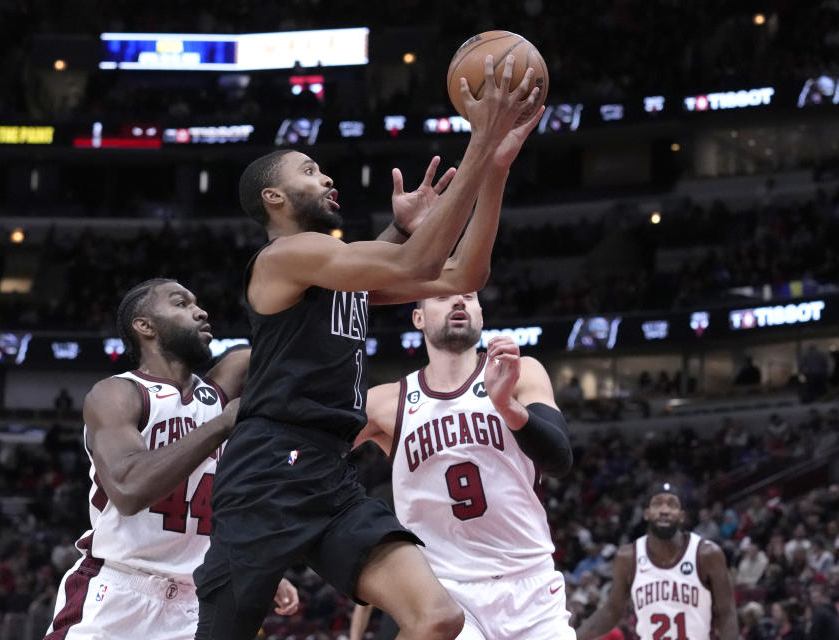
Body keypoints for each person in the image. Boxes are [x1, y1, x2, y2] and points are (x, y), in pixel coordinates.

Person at [192, 56, 543, 640]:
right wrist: (479, 143)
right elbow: (417, 263)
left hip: (332, 473)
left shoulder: (336, 267)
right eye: (311, 170)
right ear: (274, 196)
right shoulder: (284, 257)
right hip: (268, 471)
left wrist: (496, 170)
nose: (327, 178)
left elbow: (464, 276)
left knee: (437, 618)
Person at [44, 279, 298, 640]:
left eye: (197, 303)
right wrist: (224, 423)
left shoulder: (218, 390)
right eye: (181, 304)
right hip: (118, 592)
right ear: (144, 326)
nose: (200, 311)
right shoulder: (119, 393)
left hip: (195, 604)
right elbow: (128, 489)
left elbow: (294, 341)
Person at [352, 289, 574, 639]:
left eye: (468, 296)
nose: (458, 302)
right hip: (445, 592)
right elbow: (308, 454)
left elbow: (560, 459)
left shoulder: (520, 372)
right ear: (418, 318)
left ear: (481, 314)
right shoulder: (385, 403)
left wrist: (507, 407)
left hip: (530, 584)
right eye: (441, 296)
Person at [575, 483, 738, 640]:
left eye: (672, 505)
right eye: (657, 504)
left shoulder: (707, 554)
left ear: (682, 516)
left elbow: (726, 614)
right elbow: (611, 612)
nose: (664, 510)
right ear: (646, 513)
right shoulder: (628, 557)